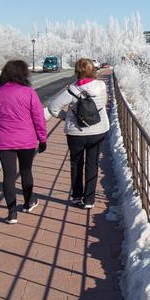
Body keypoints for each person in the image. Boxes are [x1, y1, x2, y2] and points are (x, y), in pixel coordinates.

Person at [0, 60, 48, 224]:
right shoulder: (29, 93)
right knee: (26, 171)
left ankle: (12, 213)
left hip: (4, 141)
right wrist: (42, 139)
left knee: (9, 176)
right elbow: (38, 119)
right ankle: (28, 203)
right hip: (26, 140)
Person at [48, 58, 110, 209]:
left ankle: (76, 196)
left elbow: (52, 107)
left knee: (76, 164)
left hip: (76, 133)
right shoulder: (101, 86)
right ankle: (89, 200)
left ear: (77, 71)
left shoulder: (71, 90)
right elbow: (104, 103)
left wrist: (65, 116)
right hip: (98, 130)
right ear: (93, 70)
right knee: (92, 164)